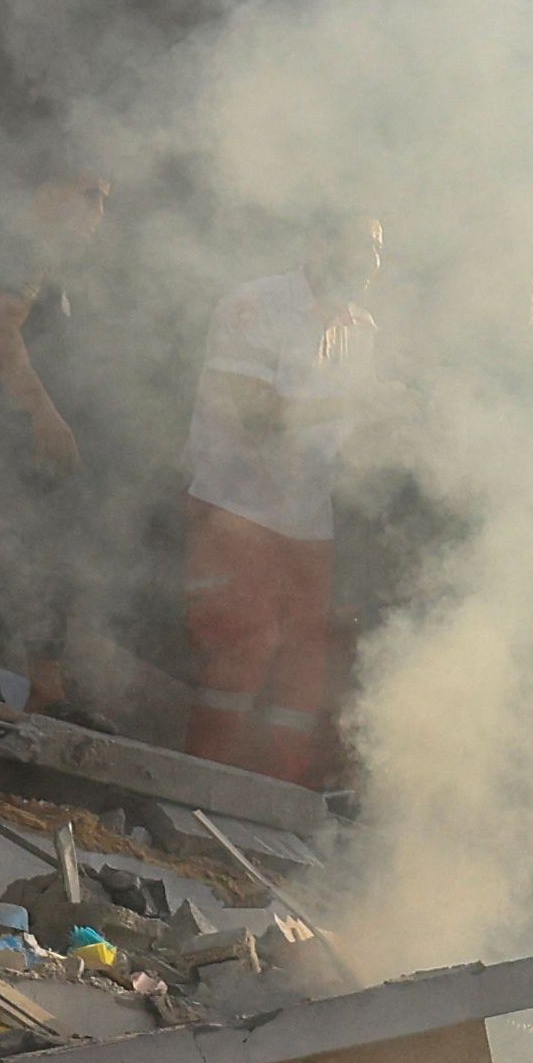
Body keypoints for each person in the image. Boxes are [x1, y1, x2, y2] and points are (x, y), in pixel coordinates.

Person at [181, 208, 379, 789]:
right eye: (357, 244)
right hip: (235, 506)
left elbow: (350, 437)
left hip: (309, 518)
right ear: (316, 242)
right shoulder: (256, 305)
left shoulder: (363, 328)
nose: (369, 263)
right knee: (241, 651)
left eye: (377, 251)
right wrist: (358, 405)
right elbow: (254, 414)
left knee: (305, 671)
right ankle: (196, 790)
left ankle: (276, 804)